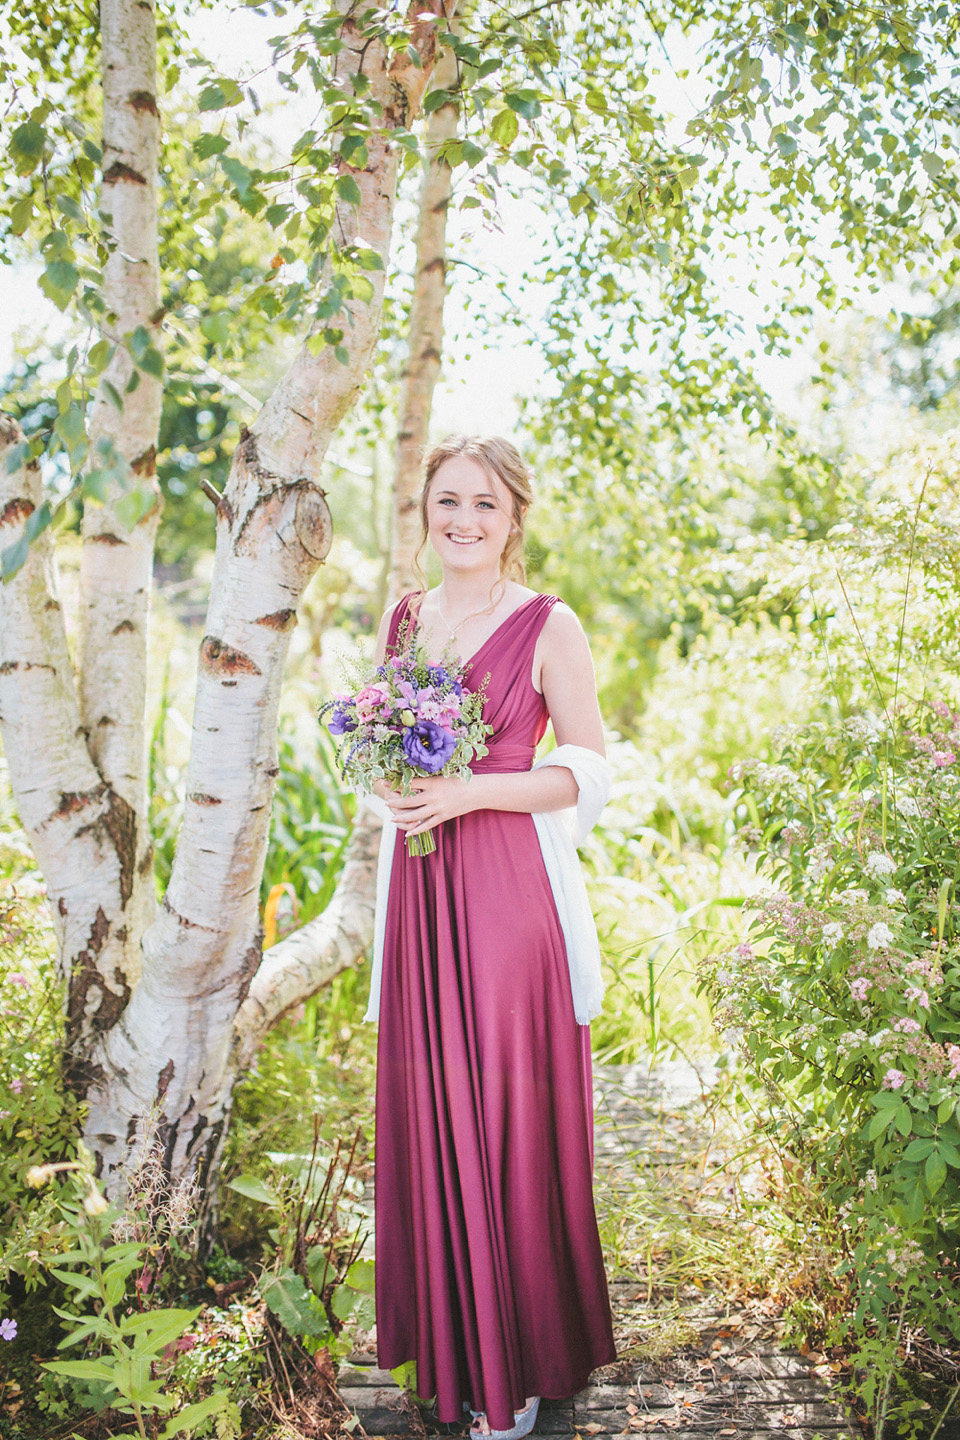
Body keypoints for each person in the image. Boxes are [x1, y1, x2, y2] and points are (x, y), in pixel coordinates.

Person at [366, 434, 616, 1439]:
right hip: (420, 894)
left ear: (515, 520)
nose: (462, 520)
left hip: (511, 897)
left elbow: (590, 768)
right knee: (435, 1108)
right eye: (446, 501)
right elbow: (389, 753)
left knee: (506, 1114)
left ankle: (514, 1373)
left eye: (483, 504)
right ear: (425, 510)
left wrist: (471, 789)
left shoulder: (549, 625)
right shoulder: (405, 618)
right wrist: (396, 786)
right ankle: (459, 1352)